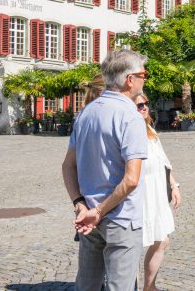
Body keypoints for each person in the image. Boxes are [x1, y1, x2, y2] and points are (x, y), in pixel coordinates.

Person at [61, 50, 149, 291]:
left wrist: (81, 205)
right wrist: (98, 211)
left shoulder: (86, 112)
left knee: (87, 285)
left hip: (89, 216)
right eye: (144, 74)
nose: (145, 80)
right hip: (120, 217)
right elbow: (131, 180)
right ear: (130, 80)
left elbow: (68, 166)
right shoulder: (130, 116)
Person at [134, 93, 181, 291]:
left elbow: (163, 162)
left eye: (145, 104)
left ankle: (149, 287)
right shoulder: (130, 132)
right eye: (139, 105)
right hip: (140, 194)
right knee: (133, 247)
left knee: (161, 240)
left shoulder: (150, 130)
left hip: (156, 193)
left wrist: (174, 185)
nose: (144, 107)